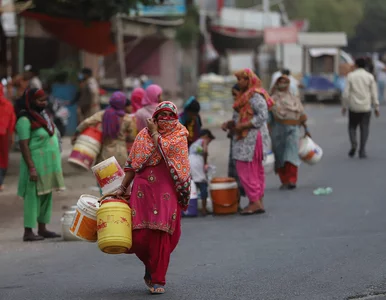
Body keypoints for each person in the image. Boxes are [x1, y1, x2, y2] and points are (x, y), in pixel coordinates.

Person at [116, 101, 190, 294]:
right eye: (161, 115)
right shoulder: (143, 135)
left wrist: (155, 133)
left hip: (165, 193)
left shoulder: (179, 135)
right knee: (139, 236)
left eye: (169, 116)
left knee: (162, 235)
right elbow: (133, 164)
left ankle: (159, 279)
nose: (165, 120)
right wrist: (123, 186)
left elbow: (169, 153)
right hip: (143, 192)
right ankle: (150, 264)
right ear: (155, 117)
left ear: (175, 118)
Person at [15, 88, 65, 241]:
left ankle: (42, 228)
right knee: (32, 197)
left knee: (46, 195)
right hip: (35, 165)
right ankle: (28, 231)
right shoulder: (24, 120)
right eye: (39, 100)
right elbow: (23, 145)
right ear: (31, 101)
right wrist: (31, 167)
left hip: (48, 165)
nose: (44, 103)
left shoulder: (44, 116)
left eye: (45, 100)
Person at [223, 68, 273, 215]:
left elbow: (262, 116)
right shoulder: (246, 97)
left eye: (241, 79)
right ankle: (257, 200)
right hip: (248, 137)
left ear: (249, 80)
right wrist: (231, 124)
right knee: (254, 169)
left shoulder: (255, 96)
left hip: (251, 138)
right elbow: (241, 116)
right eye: (238, 79)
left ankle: (255, 201)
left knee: (245, 168)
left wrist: (244, 125)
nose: (239, 82)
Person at [72, 91, 136, 168]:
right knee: (119, 179)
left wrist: (76, 133)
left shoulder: (103, 114)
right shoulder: (127, 118)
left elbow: (86, 122)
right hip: (121, 153)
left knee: (105, 178)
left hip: (105, 152)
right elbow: (132, 137)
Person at [269, 75, 308, 190]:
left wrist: (307, 129)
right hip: (277, 132)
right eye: (280, 81)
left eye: (285, 82)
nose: (283, 84)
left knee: (291, 155)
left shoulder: (294, 98)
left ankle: (292, 180)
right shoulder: (272, 99)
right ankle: (284, 180)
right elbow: (268, 118)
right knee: (280, 157)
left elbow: (301, 115)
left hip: (293, 130)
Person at [342, 57, 380, 159]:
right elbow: (374, 93)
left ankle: (354, 143)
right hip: (366, 107)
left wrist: (344, 106)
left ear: (356, 65)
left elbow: (346, 93)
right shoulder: (369, 77)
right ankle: (362, 150)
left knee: (352, 127)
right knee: (364, 128)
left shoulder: (350, 76)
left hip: (353, 107)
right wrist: (376, 107)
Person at [222, 84, 246, 209]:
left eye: (235, 95)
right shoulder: (237, 107)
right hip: (235, 141)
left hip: (242, 143)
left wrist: (234, 128)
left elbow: (245, 125)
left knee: (241, 172)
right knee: (234, 172)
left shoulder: (246, 107)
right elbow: (236, 122)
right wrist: (229, 124)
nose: (233, 98)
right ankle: (236, 202)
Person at [189, 129, 215, 216]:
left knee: (194, 185)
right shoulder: (204, 140)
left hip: (190, 163)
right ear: (207, 136)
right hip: (197, 164)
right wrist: (205, 163)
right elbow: (205, 152)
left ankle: (192, 208)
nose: (208, 143)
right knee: (203, 184)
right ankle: (204, 209)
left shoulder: (194, 144)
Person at [0, 84, 16, 191]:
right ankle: (0, 182)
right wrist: (12, 136)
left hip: (5, 135)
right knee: (3, 159)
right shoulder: (8, 105)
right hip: (5, 136)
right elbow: (12, 121)